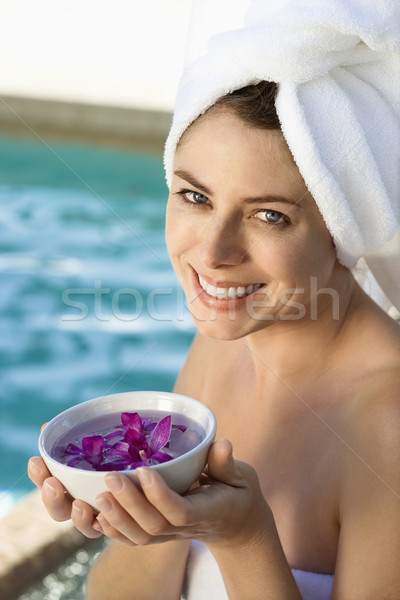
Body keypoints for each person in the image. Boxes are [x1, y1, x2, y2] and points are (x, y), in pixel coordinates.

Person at [28, 1, 400, 598]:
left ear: (342, 230)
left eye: (269, 215)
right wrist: (142, 521)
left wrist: (243, 539)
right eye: (195, 197)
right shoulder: (223, 343)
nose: (215, 250)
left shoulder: (386, 421)